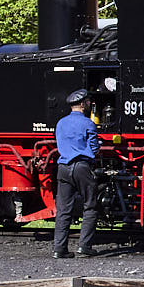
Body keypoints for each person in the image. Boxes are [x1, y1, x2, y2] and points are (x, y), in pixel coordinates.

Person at [53, 90, 103, 259]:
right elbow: (94, 148)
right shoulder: (88, 124)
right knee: (90, 205)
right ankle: (84, 246)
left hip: (63, 166)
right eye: (88, 102)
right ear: (82, 104)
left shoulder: (60, 123)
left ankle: (59, 249)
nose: (89, 104)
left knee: (63, 209)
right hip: (82, 167)